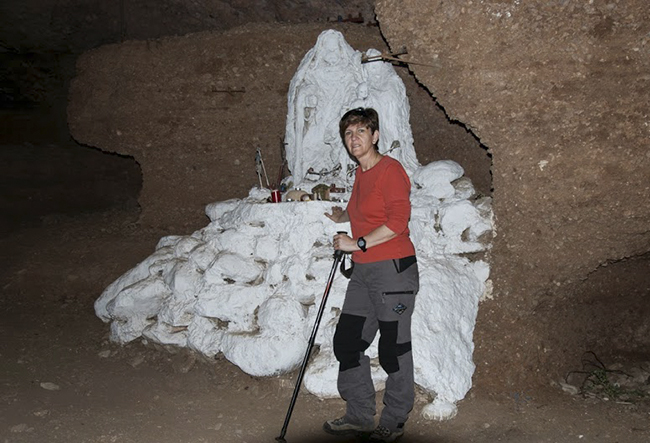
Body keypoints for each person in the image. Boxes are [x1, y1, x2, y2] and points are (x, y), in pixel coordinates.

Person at [323, 108, 419, 442]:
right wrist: (343, 214)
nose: (354, 139)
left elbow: (397, 222)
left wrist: (356, 242)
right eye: (349, 134)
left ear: (374, 135)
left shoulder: (390, 170)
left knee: (394, 349)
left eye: (361, 131)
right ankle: (360, 415)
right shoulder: (361, 174)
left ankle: (393, 420)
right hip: (364, 273)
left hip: (393, 272)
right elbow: (362, 208)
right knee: (347, 342)